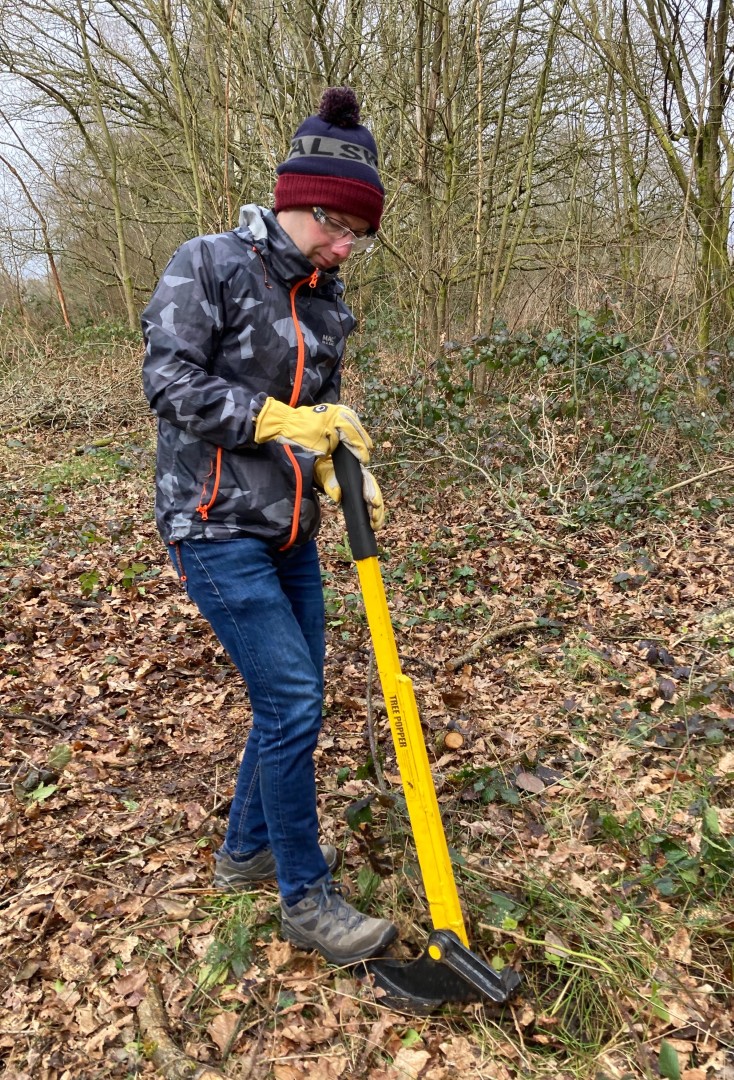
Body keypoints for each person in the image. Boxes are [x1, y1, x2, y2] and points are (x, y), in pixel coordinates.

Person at [141, 88, 398, 966]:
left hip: (291, 530)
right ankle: (304, 898)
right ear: (294, 201)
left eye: (359, 234)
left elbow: (322, 408)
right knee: (291, 702)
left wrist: (336, 462)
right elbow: (169, 384)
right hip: (212, 523)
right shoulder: (209, 264)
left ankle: (247, 851)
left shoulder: (326, 301)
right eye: (336, 225)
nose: (345, 245)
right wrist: (275, 421)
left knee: (291, 699)